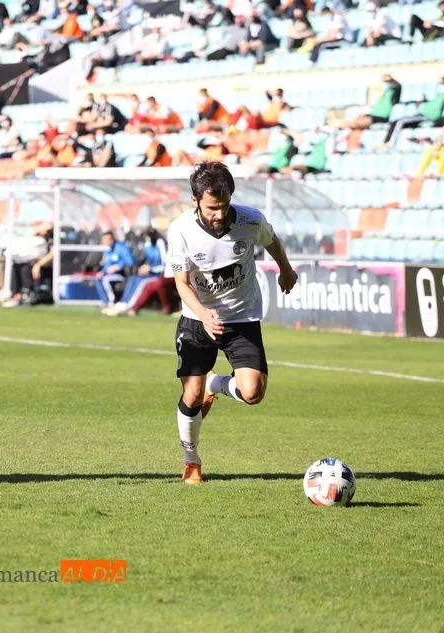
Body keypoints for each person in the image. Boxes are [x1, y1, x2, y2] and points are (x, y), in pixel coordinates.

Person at [167, 161, 297, 484]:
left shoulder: (250, 220)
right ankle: (192, 461)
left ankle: (217, 385)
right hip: (198, 320)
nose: (220, 214)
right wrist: (203, 312)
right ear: (195, 200)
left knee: (253, 392)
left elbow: (272, 241)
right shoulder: (180, 230)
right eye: (212, 208)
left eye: (225, 205)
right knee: (191, 395)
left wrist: (286, 269)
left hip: (241, 317)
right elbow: (182, 283)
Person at [103, 228, 166, 316]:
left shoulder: (160, 243)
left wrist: (151, 268)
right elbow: (148, 260)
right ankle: (122, 303)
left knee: (142, 283)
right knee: (133, 278)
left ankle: (129, 306)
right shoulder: (148, 244)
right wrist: (142, 267)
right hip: (150, 273)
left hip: (159, 273)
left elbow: (164, 264)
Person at [94, 230, 136, 306]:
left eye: (107, 240)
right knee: (97, 278)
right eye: (104, 240)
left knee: (106, 279)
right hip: (111, 275)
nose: (105, 242)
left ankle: (111, 302)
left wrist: (118, 266)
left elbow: (130, 262)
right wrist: (102, 272)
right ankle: (105, 301)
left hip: (123, 274)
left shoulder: (121, 248)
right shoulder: (108, 250)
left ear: (112, 239)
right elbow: (107, 264)